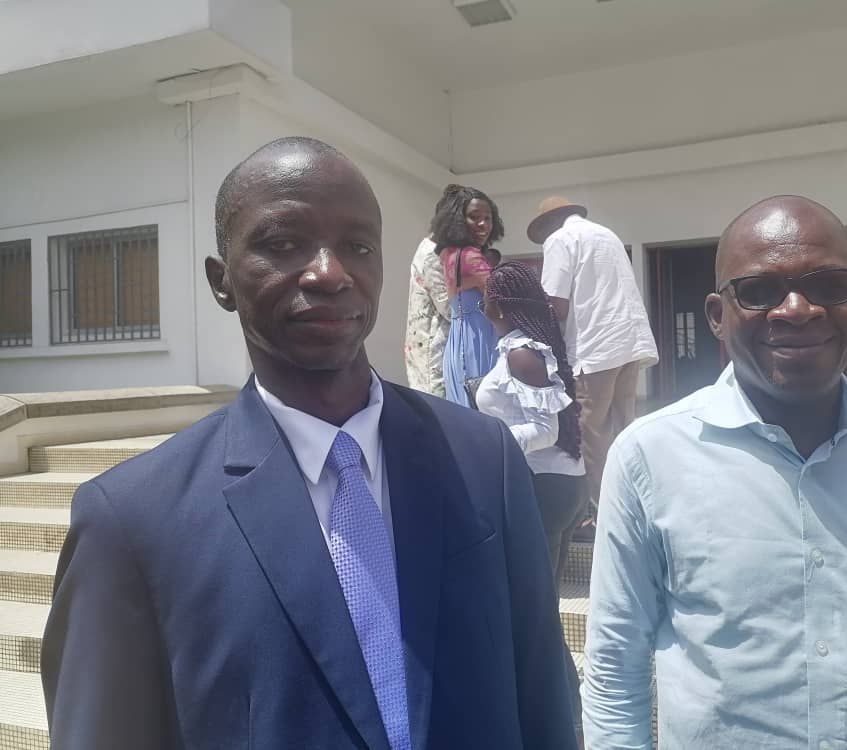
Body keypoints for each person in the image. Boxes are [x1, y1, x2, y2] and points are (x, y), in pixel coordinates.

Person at [41, 137, 578, 750]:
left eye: (358, 247)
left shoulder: (485, 459)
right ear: (221, 281)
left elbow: (543, 697)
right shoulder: (131, 521)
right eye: (282, 244)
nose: (330, 272)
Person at [583, 195, 847, 749]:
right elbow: (614, 672)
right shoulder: (648, 458)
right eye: (759, 291)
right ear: (717, 317)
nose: (798, 309)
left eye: (828, 285)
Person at [476, 261, 587, 737]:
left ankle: (564, 709)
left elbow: (546, 431)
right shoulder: (520, 348)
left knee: (536, 604)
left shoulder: (523, 352)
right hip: (554, 485)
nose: (481, 307)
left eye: (485, 299)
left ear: (498, 306)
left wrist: (486, 437)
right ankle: (561, 703)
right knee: (540, 603)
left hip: (546, 488)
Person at [527, 196, 658, 518]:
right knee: (624, 427)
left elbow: (556, 305)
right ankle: (638, 500)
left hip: (595, 347)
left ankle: (604, 511)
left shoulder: (560, 239)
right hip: (627, 341)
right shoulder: (606, 234)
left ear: (548, 224)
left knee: (591, 433)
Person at [432, 185, 503, 407]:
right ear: (458, 221)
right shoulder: (470, 257)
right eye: (474, 217)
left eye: (487, 218)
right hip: (480, 340)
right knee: (488, 411)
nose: (483, 225)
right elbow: (503, 300)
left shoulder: (449, 254)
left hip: (460, 341)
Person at [404, 186, 456, 398]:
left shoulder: (438, 249)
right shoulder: (433, 253)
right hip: (432, 347)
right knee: (435, 403)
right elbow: (449, 308)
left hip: (432, 344)